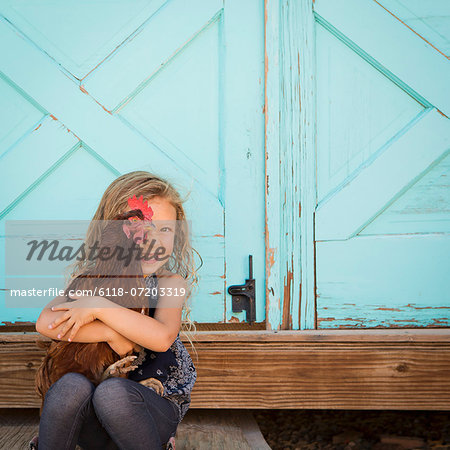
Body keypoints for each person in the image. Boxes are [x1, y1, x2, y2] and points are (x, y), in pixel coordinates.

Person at [33, 171, 199, 450]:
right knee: (70, 386)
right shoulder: (92, 281)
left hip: (149, 413)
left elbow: (160, 338)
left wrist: (98, 307)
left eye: (165, 229)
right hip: (94, 421)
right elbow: (46, 323)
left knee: (112, 394)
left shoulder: (170, 283)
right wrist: (111, 332)